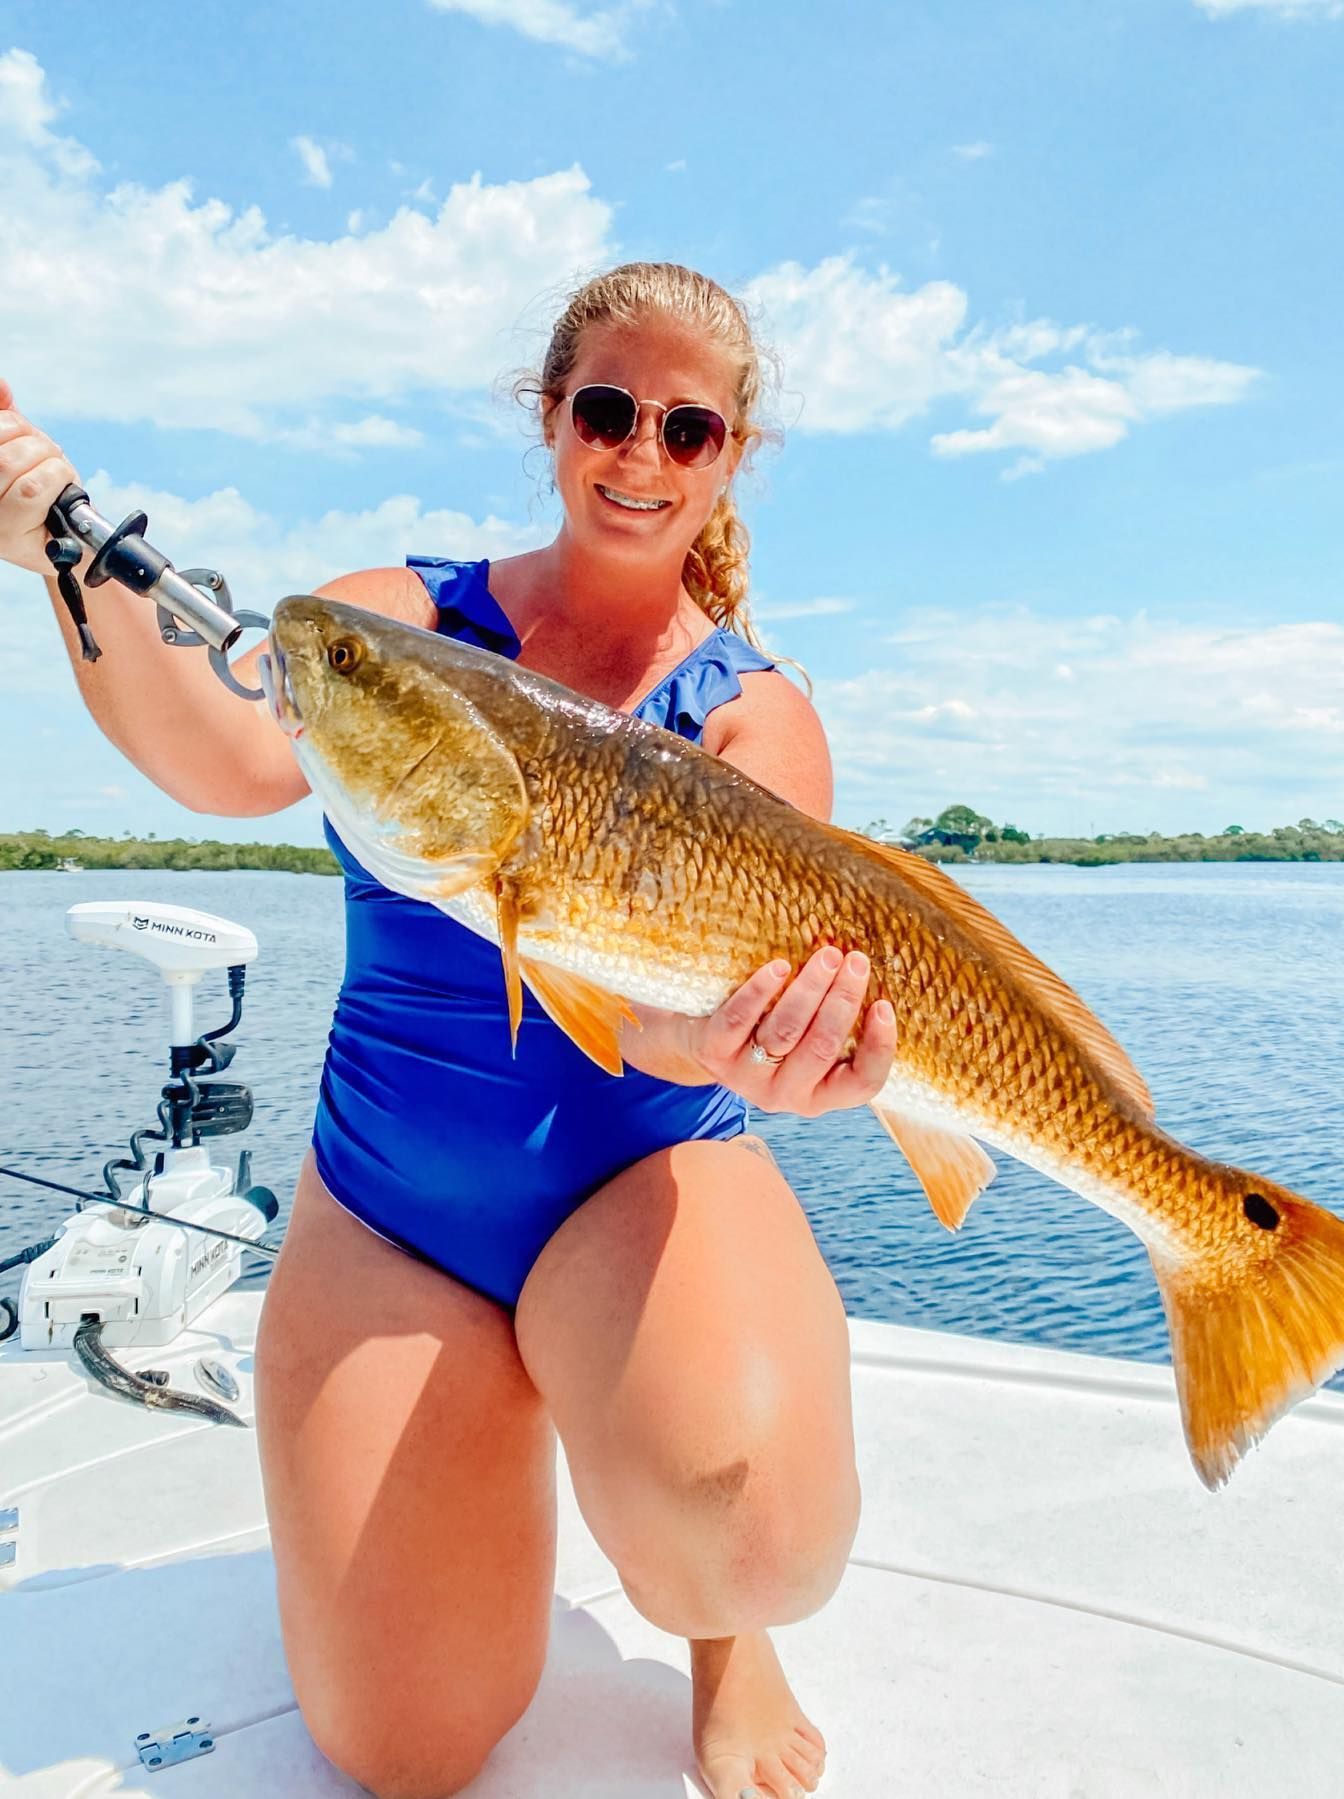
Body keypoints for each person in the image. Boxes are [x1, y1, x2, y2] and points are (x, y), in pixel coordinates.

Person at [0, 261, 897, 1799]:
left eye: (688, 429)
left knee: (752, 1538)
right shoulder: (402, 623)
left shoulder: (759, 717)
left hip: (647, 1177)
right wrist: (59, 551)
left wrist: (765, 1048)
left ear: (731, 456)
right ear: (552, 419)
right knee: (403, 1749)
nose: (641, 453)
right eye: (608, 410)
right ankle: (501, 1424)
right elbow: (221, 756)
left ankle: (720, 1631)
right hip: (393, 1203)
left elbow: (694, 1030)